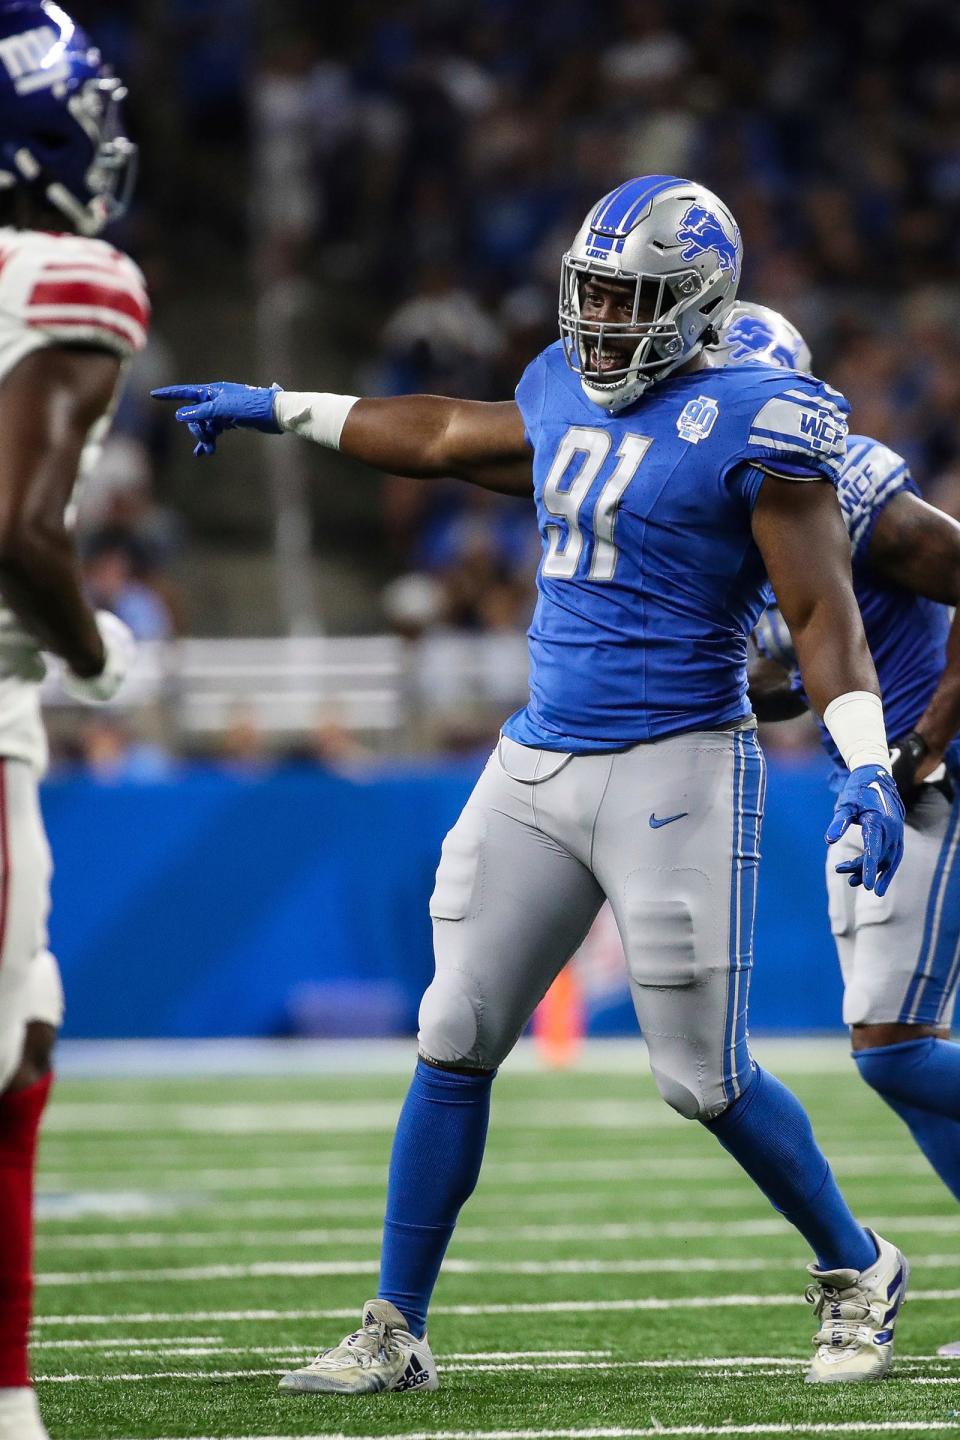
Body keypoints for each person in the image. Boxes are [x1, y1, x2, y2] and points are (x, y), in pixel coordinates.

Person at [155, 174, 907, 1387]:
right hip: (540, 754)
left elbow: (822, 614)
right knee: (453, 1030)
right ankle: (395, 1328)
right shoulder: (561, 385)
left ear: (698, 304)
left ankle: (855, 1263)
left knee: (700, 1080)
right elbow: (448, 434)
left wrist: (862, 763)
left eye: (630, 299)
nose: (601, 321)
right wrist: (283, 405)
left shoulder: (764, 417)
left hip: (677, 759)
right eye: (592, 293)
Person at [713, 300, 960, 1361]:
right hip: (869, 780)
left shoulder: (851, 486)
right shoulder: (726, 505)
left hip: (924, 779)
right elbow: (807, 661)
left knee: (894, 1050)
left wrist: (923, 746)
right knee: (899, 1063)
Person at [0, 7, 147, 1437]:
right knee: (9, 1052)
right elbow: (20, 528)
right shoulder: (65, 274)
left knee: (25, 1033)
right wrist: (100, 662)